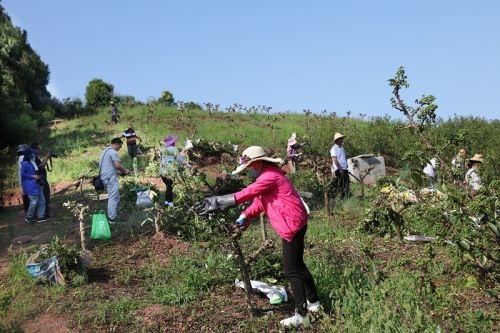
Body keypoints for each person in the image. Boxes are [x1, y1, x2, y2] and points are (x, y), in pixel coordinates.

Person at [194, 146, 320, 328]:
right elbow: (258, 203)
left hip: (291, 226)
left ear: (258, 163)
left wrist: (216, 202)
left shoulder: (269, 177)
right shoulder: (269, 176)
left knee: (292, 270)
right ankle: (314, 303)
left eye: (251, 167)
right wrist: (244, 217)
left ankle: (302, 316)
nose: (250, 171)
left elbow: (246, 194)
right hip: (296, 222)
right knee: (299, 266)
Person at [98, 138, 132, 223]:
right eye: (119, 147)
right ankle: (112, 219)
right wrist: (125, 170)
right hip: (110, 177)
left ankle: (113, 215)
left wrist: (122, 173)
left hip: (105, 177)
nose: (119, 149)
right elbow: (117, 165)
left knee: (115, 196)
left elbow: (110, 167)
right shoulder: (113, 152)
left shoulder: (104, 152)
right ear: (116, 144)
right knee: (113, 197)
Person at [20, 148, 47, 223]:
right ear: (28, 155)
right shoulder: (25, 163)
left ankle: (41, 216)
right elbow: (22, 174)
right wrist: (32, 176)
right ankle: (29, 217)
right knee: (34, 202)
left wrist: (39, 177)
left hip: (36, 184)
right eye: (32, 154)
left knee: (42, 200)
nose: (34, 155)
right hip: (30, 186)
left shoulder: (31, 162)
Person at [159, 135, 186, 207]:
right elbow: (179, 159)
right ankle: (169, 204)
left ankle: (167, 202)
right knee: (169, 187)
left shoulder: (163, 150)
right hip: (170, 172)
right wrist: (186, 163)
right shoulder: (174, 149)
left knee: (169, 187)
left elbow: (169, 159)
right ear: (173, 143)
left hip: (162, 172)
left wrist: (180, 155)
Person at [31, 143, 51, 219]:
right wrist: (47, 158)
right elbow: (41, 166)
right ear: (35, 149)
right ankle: (44, 214)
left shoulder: (33, 158)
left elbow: (40, 164)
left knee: (42, 198)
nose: (40, 149)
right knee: (45, 197)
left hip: (39, 180)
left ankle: (42, 214)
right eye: (39, 148)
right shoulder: (34, 158)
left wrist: (46, 157)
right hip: (41, 180)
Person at [330, 132, 350, 199]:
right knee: (340, 184)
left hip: (344, 168)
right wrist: (340, 168)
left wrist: (346, 166)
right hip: (339, 169)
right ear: (337, 140)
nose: (342, 140)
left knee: (346, 183)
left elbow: (344, 158)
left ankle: (346, 197)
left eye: (342, 138)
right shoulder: (333, 148)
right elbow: (334, 159)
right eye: (340, 139)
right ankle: (340, 198)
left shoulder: (342, 148)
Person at [17, 144, 35, 212]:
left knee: (26, 193)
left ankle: (27, 209)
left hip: (23, 179)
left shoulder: (21, 158)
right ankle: (27, 209)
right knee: (28, 194)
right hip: (26, 179)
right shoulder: (22, 158)